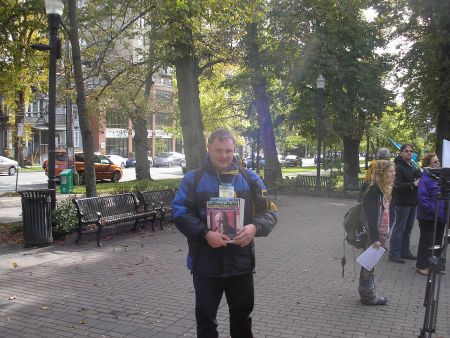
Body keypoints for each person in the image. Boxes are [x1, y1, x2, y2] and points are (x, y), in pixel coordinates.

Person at [172, 128, 277, 338]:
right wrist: (205, 233)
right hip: (206, 264)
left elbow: (270, 212)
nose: (223, 156)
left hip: (240, 264)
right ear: (209, 148)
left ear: (234, 150)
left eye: (228, 150)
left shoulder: (250, 178)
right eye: (218, 150)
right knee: (206, 320)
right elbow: (180, 212)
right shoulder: (193, 179)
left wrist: (254, 227)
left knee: (242, 319)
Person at [359, 160, 395, 305]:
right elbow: (371, 218)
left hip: (379, 233)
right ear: (382, 173)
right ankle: (368, 296)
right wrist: (375, 239)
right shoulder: (373, 191)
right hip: (372, 234)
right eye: (391, 171)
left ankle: (367, 294)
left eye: (394, 171)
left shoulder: (382, 189)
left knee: (369, 264)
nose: (394, 174)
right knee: (368, 264)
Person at [389, 144, 420, 263]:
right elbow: (396, 185)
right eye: (406, 151)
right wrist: (412, 184)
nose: (409, 153)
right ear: (401, 152)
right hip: (402, 203)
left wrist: (418, 174)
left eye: (411, 151)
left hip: (412, 202)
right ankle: (394, 253)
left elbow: (413, 179)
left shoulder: (411, 165)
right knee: (399, 229)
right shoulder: (398, 167)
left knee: (408, 229)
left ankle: (405, 252)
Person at [415, 153, 446, 275]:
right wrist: (435, 211)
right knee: (426, 241)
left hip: (440, 217)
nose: (438, 163)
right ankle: (422, 265)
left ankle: (435, 265)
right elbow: (423, 199)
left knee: (437, 241)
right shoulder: (425, 179)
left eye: (438, 161)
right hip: (428, 217)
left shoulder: (440, 178)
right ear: (428, 165)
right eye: (435, 162)